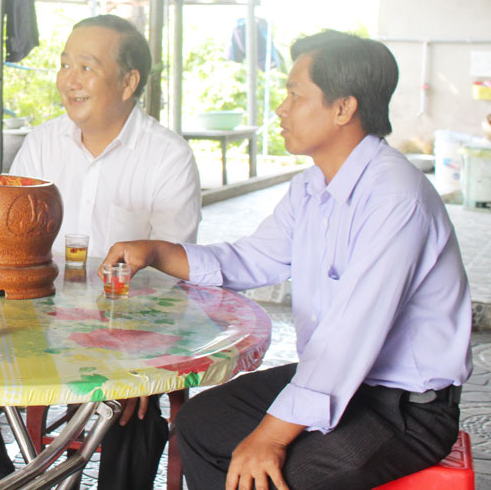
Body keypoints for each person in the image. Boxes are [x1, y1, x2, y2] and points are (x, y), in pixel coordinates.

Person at [103, 30, 471, 490]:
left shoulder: (395, 197)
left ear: (343, 108)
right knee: (200, 423)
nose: (281, 108)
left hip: (403, 409)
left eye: (295, 95)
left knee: (275, 472)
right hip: (342, 382)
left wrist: (271, 437)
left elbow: (350, 334)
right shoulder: (312, 187)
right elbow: (252, 259)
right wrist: (158, 252)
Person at [0, 14, 202, 490]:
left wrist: (137, 358)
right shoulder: (42, 144)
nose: (68, 80)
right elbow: (7, 246)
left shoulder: (168, 156)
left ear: (129, 82)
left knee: (135, 411)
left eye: (86, 67)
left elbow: (171, 280)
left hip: (121, 334)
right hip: (32, 324)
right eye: (63, 64)